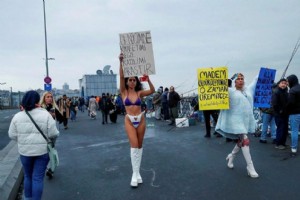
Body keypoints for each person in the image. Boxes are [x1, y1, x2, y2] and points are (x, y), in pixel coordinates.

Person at [8, 90, 59, 200]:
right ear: (37, 100)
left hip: (25, 152)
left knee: (27, 175)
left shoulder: (17, 116)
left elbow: (12, 135)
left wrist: (22, 140)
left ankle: (28, 198)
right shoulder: (45, 114)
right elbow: (54, 133)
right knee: (37, 178)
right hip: (42, 151)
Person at [119, 53, 155, 187]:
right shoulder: (124, 92)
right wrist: (121, 62)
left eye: (134, 80)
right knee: (134, 146)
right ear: (127, 81)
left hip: (141, 119)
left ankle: (138, 172)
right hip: (129, 119)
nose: (132, 82)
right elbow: (121, 76)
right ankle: (134, 174)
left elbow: (152, 90)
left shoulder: (139, 93)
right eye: (131, 80)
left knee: (140, 146)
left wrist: (148, 78)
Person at [215, 73, 259, 178]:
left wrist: (261, 73)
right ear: (234, 82)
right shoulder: (230, 91)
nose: (240, 80)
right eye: (238, 79)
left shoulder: (248, 90)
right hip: (235, 122)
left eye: (242, 79)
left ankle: (231, 156)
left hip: (245, 122)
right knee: (245, 140)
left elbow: (256, 80)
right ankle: (250, 167)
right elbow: (219, 89)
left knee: (240, 141)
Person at [39, 91, 63, 178]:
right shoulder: (41, 108)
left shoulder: (54, 107)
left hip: (53, 133)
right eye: (47, 97)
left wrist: (55, 114)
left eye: (50, 97)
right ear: (44, 98)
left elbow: (61, 119)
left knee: (51, 150)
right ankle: (50, 168)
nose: (49, 98)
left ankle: (50, 168)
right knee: (45, 152)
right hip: (43, 134)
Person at [272, 78, 289, 150]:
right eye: (282, 83)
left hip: (285, 114)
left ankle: (283, 143)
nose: (283, 84)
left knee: (285, 129)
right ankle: (278, 144)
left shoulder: (286, 92)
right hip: (279, 114)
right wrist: (280, 111)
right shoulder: (276, 92)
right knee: (280, 128)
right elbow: (274, 104)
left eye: (285, 83)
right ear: (279, 84)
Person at [286, 74, 300, 153]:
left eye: (288, 81)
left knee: (294, 131)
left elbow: (290, 103)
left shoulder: (292, 90)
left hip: (294, 113)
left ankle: (294, 148)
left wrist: (285, 109)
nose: (287, 83)